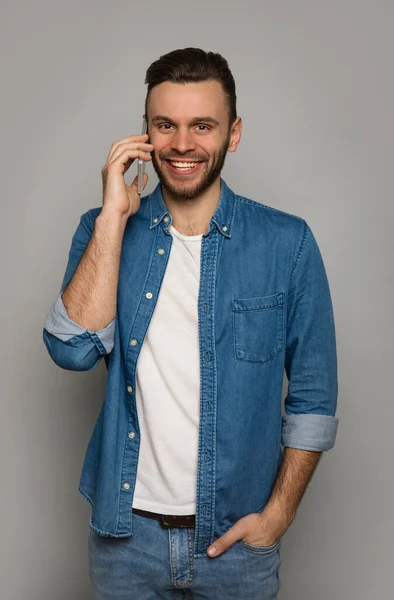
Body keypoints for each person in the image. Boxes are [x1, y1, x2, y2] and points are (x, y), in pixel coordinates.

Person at [43, 47, 339, 599]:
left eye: (202, 125)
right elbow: (71, 349)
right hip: (125, 542)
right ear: (145, 135)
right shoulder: (104, 231)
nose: (182, 144)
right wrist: (112, 215)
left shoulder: (287, 243)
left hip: (235, 545)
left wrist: (277, 517)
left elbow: (314, 400)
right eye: (166, 125)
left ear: (234, 133)